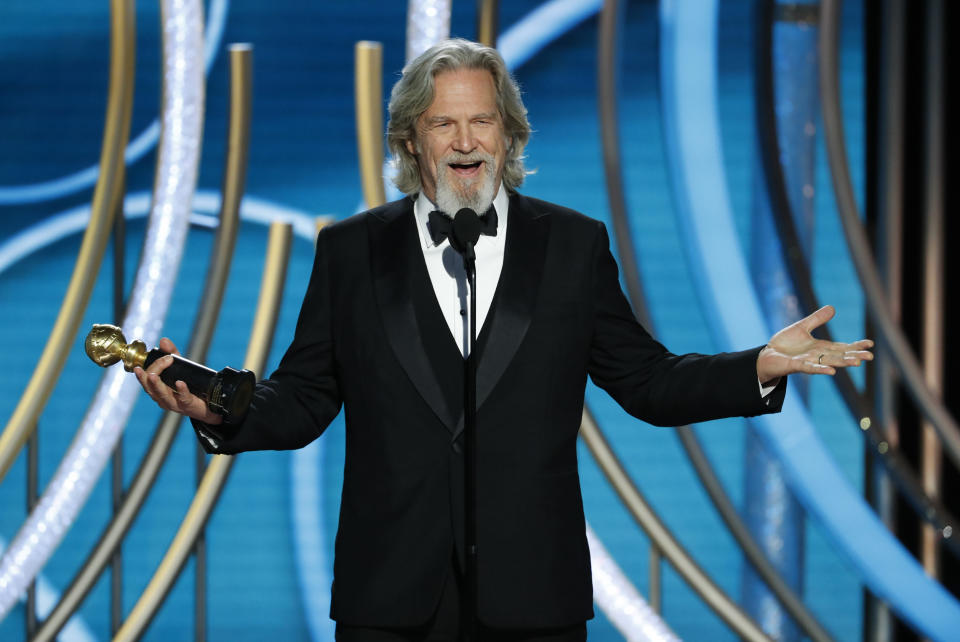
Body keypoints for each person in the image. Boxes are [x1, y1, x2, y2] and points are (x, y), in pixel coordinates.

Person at [135, 38, 872, 641]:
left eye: (482, 122)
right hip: (390, 601)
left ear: (508, 133)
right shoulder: (351, 251)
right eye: (443, 123)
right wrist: (217, 410)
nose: (465, 142)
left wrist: (761, 366)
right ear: (410, 139)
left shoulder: (573, 246)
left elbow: (649, 382)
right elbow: (303, 399)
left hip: (534, 601)